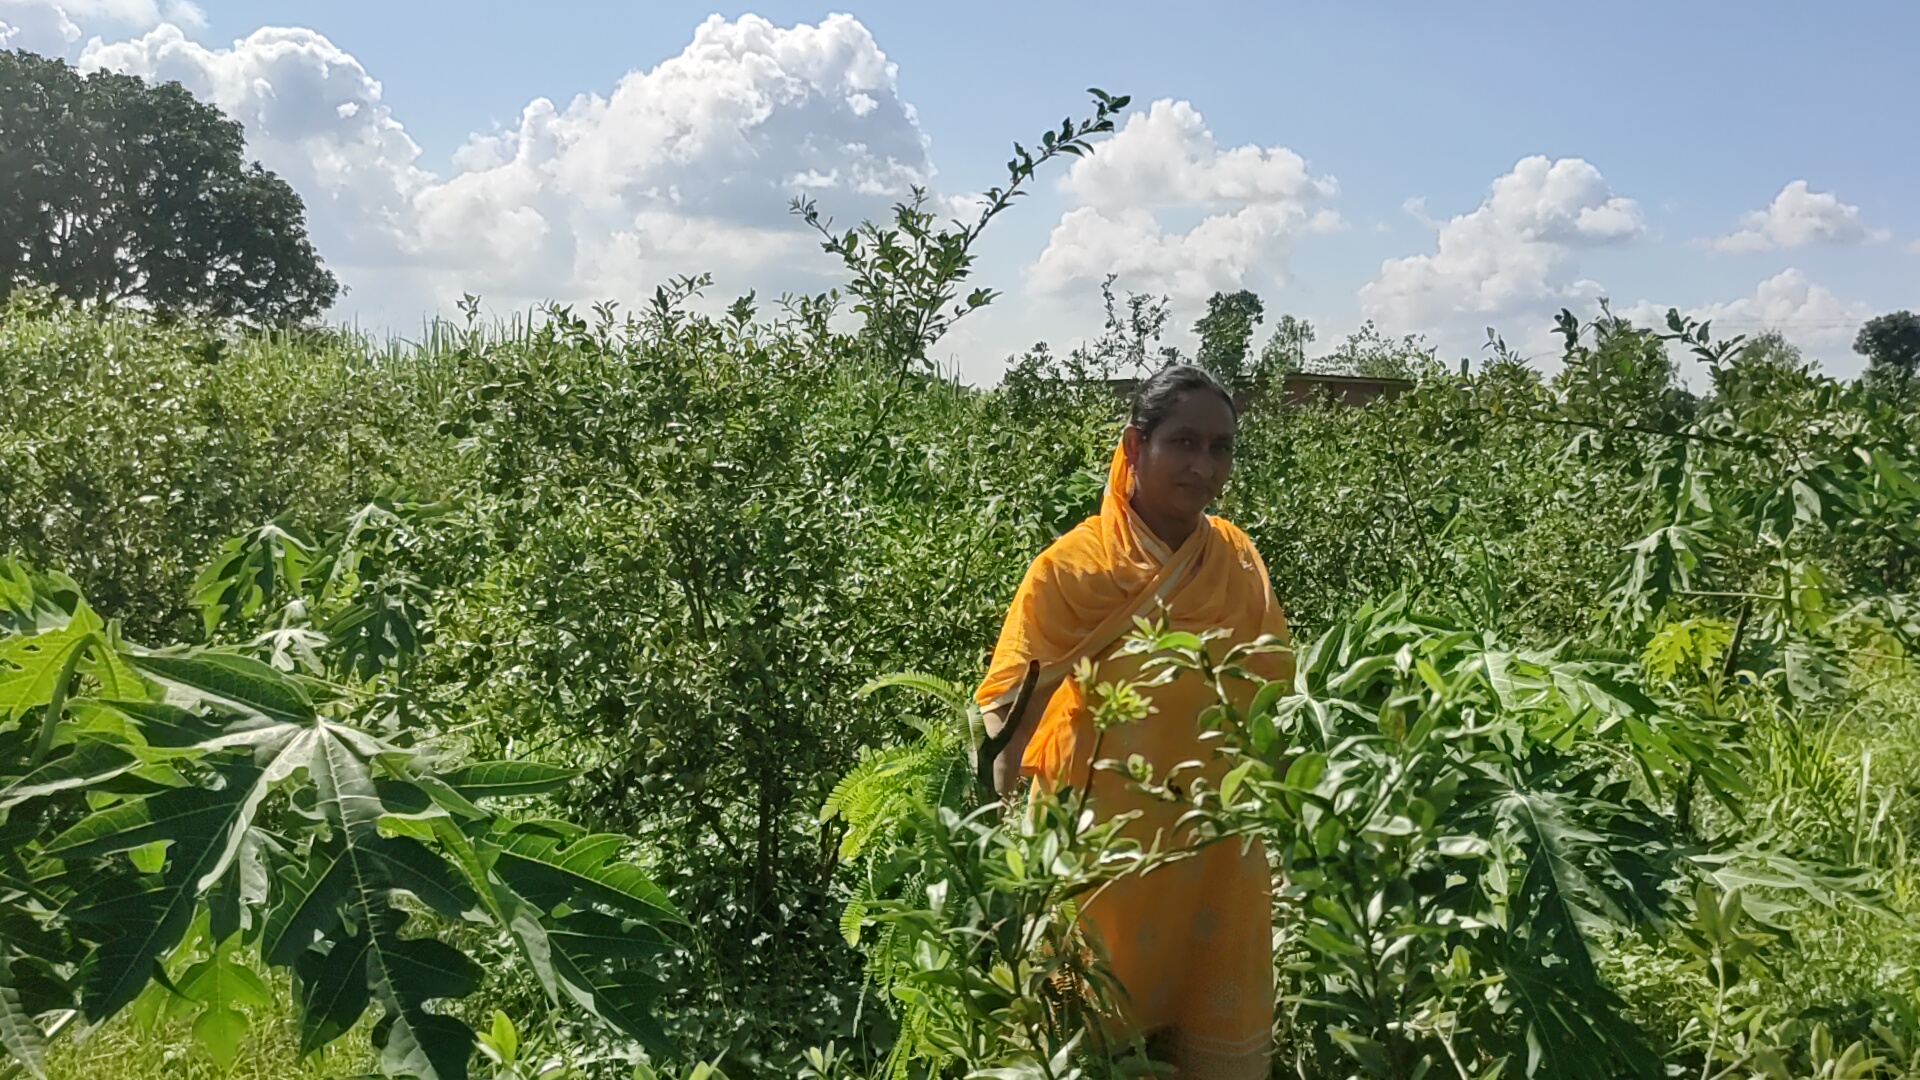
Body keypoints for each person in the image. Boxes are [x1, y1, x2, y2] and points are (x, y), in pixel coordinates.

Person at [974, 363, 1294, 1079]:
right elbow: (1009, 705)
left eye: (1221, 448)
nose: (1203, 465)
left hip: (1214, 835)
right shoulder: (1072, 569)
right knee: (1089, 1020)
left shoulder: (1238, 561)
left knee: (1208, 1000)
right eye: (1183, 442)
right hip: (1103, 839)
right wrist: (1007, 845)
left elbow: (1272, 689)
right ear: (1134, 447)